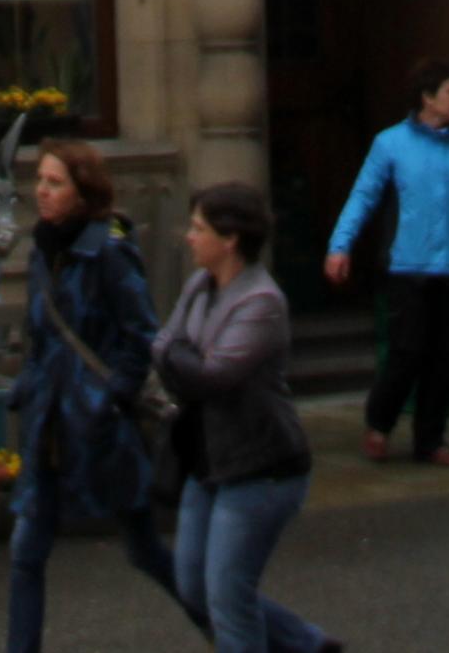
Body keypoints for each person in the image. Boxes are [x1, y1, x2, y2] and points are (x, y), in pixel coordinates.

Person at [4, 140, 171, 653]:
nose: (41, 190)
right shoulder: (44, 247)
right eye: (39, 180)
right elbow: (40, 334)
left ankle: (246, 629)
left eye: (54, 182)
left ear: (83, 191)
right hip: (48, 424)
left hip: (99, 428)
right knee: (26, 550)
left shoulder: (109, 251)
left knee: (144, 550)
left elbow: (142, 337)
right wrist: (29, 386)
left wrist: (109, 399)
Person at [159, 182, 339, 653]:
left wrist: (179, 357)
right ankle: (306, 643)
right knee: (193, 587)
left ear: (230, 238)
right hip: (207, 460)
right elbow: (163, 346)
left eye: (198, 228)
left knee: (227, 596)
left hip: (263, 467)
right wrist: (181, 358)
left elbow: (215, 375)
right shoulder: (199, 286)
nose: (188, 236)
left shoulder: (261, 302)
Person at [323, 62, 449, 465]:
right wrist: (340, 246)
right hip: (406, 266)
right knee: (406, 352)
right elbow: (363, 197)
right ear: (428, 98)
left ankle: (431, 439)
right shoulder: (390, 144)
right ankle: (380, 422)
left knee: (444, 357)